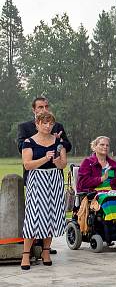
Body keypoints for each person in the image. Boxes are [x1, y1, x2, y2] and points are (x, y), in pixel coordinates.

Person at [19, 111, 67, 270]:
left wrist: (58, 161)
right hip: (37, 179)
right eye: (44, 123)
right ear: (37, 124)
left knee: (51, 215)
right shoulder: (29, 142)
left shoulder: (59, 141)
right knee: (33, 216)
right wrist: (45, 158)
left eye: (50, 123)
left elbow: (63, 165)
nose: (47, 126)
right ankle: (26, 254)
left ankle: (46, 252)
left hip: (55, 179)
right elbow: (27, 165)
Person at [77, 136, 116, 244]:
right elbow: (82, 183)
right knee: (108, 200)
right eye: (102, 144)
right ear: (95, 147)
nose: (105, 147)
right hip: (94, 193)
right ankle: (111, 236)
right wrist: (101, 179)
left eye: (107, 145)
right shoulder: (87, 162)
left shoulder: (114, 165)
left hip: (111, 192)